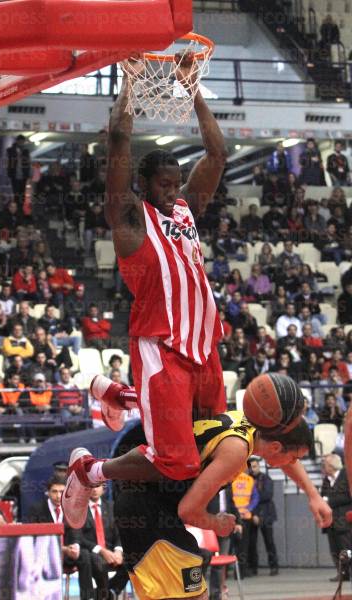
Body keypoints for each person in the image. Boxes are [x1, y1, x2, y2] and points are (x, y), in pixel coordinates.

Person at [103, 56, 227, 485]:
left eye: (176, 184)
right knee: (177, 463)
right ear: (143, 183)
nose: (173, 191)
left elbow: (217, 154)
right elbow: (118, 138)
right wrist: (131, 80)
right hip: (160, 342)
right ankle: (91, 471)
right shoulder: (130, 218)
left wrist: (192, 89)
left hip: (203, 343)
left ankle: (119, 395)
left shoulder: (186, 210)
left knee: (217, 445)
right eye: (164, 184)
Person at [63, 376, 332, 535]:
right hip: (143, 473)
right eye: (295, 458)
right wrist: (216, 524)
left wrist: (313, 494)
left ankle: (120, 394)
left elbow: (285, 455)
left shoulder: (254, 423)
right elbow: (188, 510)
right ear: (275, 447)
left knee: (192, 400)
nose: (294, 465)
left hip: (159, 438)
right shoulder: (236, 454)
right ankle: (89, 470)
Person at [25, 475, 93, 600]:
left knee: (84, 555)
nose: (58, 496)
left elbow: (76, 530)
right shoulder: (36, 509)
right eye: (54, 491)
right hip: (45, 555)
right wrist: (62, 549)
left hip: (67, 554)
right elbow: (32, 538)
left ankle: (87, 597)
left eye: (62, 492)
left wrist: (75, 546)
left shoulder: (71, 507)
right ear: (48, 492)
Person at [80, 484, 128, 600]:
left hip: (112, 551)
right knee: (98, 562)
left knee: (133, 560)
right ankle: (105, 595)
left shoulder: (112, 507)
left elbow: (120, 532)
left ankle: (111, 590)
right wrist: (101, 551)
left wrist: (118, 551)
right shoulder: (80, 509)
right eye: (91, 486)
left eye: (98, 486)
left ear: (104, 489)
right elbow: (78, 537)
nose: (94, 489)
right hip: (92, 551)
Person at [320, 454, 352, 582]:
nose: (323, 467)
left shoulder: (347, 475)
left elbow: (348, 496)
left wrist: (328, 500)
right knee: (334, 548)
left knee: (346, 548)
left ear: (331, 465)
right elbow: (323, 495)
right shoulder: (326, 479)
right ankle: (342, 573)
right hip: (331, 520)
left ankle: (346, 571)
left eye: (325, 464)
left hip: (344, 519)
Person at [248, 458, 279, 576]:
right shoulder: (247, 479)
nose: (253, 469)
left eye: (255, 466)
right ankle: (252, 567)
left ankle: (274, 566)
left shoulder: (266, 478)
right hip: (251, 514)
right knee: (251, 543)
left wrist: (254, 496)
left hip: (266, 514)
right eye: (251, 467)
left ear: (259, 466)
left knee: (269, 542)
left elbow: (267, 495)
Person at [6, 134, 31, 202]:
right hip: (14, 175)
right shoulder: (10, 150)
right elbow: (9, 161)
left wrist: (28, 174)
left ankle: (21, 209)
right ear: (17, 141)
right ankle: (15, 207)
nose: (21, 143)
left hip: (23, 175)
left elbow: (28, 163)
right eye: (20, 141)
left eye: (23, 141)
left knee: (22, 194)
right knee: (16, 193)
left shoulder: (26, 151)